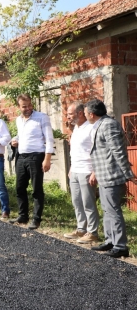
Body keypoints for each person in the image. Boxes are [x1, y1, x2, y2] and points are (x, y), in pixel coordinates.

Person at [85, 99, 135, 258]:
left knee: (113, 210)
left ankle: (120, 246)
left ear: (91, 114)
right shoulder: (99, 125)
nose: (85, 115)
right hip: (104, 176)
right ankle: (110, 241)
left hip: (112, 176)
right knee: (107, 210)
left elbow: (118, 151)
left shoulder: (108, 125)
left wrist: (128, 174)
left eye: (85, 113)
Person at [9, 94, 54, 230]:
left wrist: (47, 159)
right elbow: (21, 135)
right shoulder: (18, 120)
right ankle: (23, 215)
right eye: (24, 106)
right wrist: (14, 140)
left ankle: (36, 219)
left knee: (36, 189)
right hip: (21, 157)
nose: (28, 108)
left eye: (29, 105)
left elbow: (50, 139)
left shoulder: (41, 117)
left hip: (36, 157)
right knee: (19, 188)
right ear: (19, 107)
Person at [63, 102, 100, 244]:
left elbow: (96, 151)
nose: (68, 117)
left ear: (79, 113)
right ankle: (81, 229)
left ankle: (92, 232)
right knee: (77, 201)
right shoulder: (76, 129)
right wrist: (71, 167)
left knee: (88, 202)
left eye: (70, 114)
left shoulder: (91, 128)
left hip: (87, 170)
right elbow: (75, 151)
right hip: (76, 170)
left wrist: (94, 171)